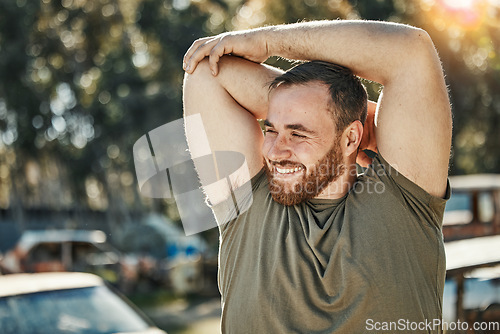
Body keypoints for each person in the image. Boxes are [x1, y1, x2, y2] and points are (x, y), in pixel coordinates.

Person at [182, 19, 452, 333]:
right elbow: (203, 71)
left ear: (351, 138)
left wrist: (268, 42)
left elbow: (410, 49)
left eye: (298, 134)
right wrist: (349, 114)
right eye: (271, 129)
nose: (275, 151)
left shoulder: (403, 205)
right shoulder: (246, 203)